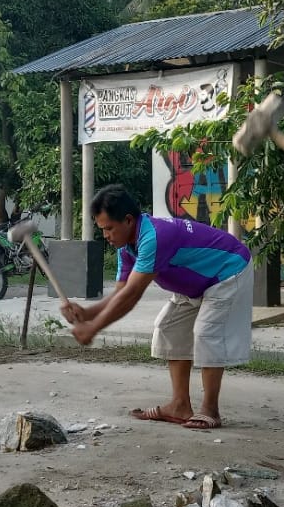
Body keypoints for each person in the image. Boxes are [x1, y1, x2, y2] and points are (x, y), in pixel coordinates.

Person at [63, 184, 252, 430]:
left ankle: (210, 410)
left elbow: (131, 296)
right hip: (196, 283)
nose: (106, 236)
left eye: (109, 228)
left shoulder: (154, 237)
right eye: (102, 230)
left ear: (128, 220)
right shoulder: (126, 247)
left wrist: (93, 328)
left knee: (207, 332)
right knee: (168, 327)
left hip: (228, 269)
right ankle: (180, 405)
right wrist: (88, 313)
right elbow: (121, 291)